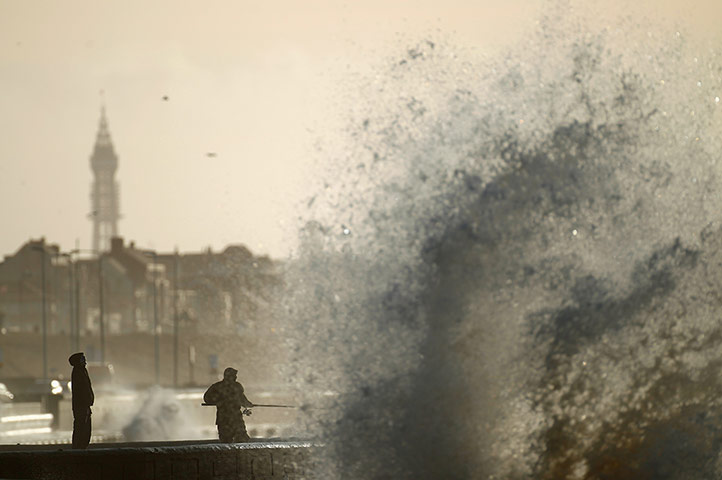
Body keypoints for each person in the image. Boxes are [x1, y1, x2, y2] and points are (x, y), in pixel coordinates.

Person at [203, 367, 254, 442]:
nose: (236, 377)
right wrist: (218, 401)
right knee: (226, 440)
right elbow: (207, 398)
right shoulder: (217, 387)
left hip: (236, 417)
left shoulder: (237, 386)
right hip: (224, 418)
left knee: (242, 438)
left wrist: (247, 404)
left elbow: (242, 398)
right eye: (234, 375)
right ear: (228, 376)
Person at [68, 352, 94, 449]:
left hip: (84, 405)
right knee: (81, 427)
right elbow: (82, 390)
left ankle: (81, 446)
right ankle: (78, 447)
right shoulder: (78, 372)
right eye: (83, 359)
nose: (85, 361)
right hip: (81, 406)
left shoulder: (82, 371)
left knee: (85, 427)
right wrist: (87, 401)